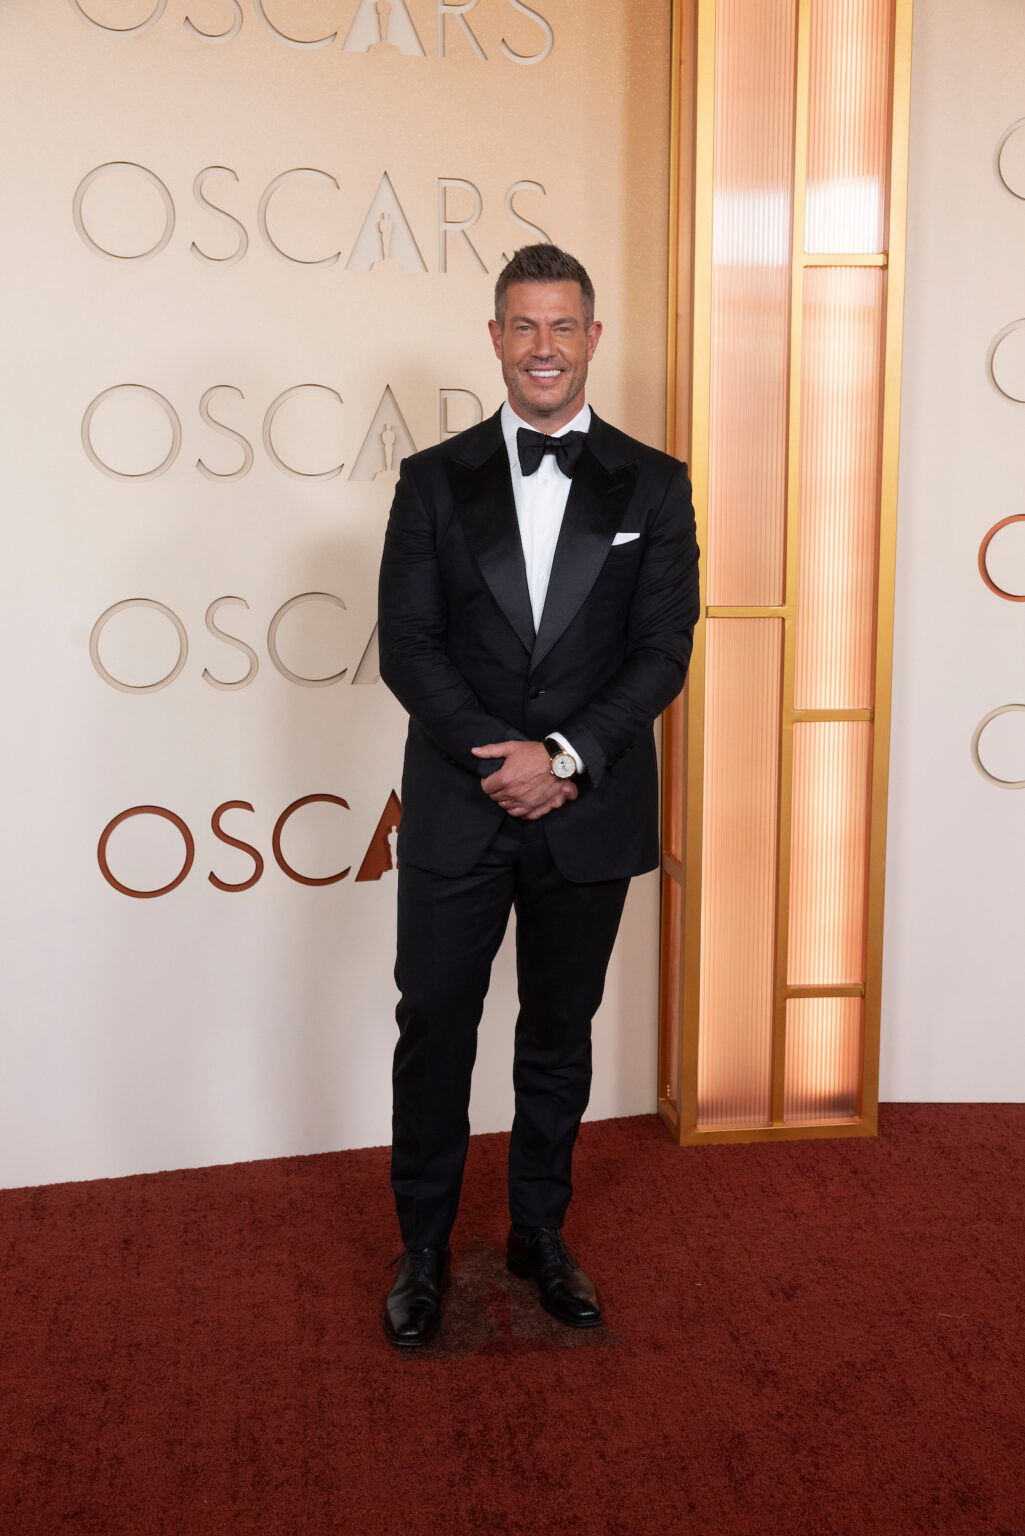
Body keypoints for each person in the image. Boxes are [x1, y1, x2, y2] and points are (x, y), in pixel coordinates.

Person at [377, 243, 700, 1347]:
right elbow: (409, 650)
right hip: (462, 804)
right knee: (435, 1027)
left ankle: (537, 1234)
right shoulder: (432, 478)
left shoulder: (654, 484)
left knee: (558, 1035)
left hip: (588, 807)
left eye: (563, 326)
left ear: (592, 339)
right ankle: (421, 1248)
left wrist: (561, 755)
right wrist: (499, 756)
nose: (544, 347)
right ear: (495, 338)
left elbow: (661, 651)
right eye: (524, 326)